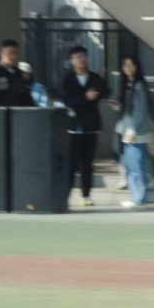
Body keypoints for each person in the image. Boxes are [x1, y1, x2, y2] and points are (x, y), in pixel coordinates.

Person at [63, 46, 108, 206]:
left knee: (87, 163)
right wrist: (85, 98)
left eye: (83, 56)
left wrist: (97, 95)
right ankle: (65, 195)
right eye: (77, 57)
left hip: (91, 125)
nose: (81, 59)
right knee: (72, 163)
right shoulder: (68, 79)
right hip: (74, 127)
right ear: (71, 61)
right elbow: (68, 101)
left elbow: (105, 91)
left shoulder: (95, 78)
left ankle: (86, 195)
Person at [111, 56, 154, 208]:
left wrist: (133, 129)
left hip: (136, 132)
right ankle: (137, 196)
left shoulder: (139, 85)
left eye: (131, 65)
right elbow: (127, 108)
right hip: (128, 129)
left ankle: (139, 198)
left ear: (136, 66)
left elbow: (140, 110)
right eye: (125, 65)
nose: (128, 68)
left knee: (136, 165)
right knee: (131, 165)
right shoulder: (127, 84)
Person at [0, 40, 34, 107]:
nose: (13, 56)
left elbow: (25, 95)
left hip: (17, 111)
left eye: (16, 53)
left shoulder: (18, 73)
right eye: (10, 53)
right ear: (1, 53)